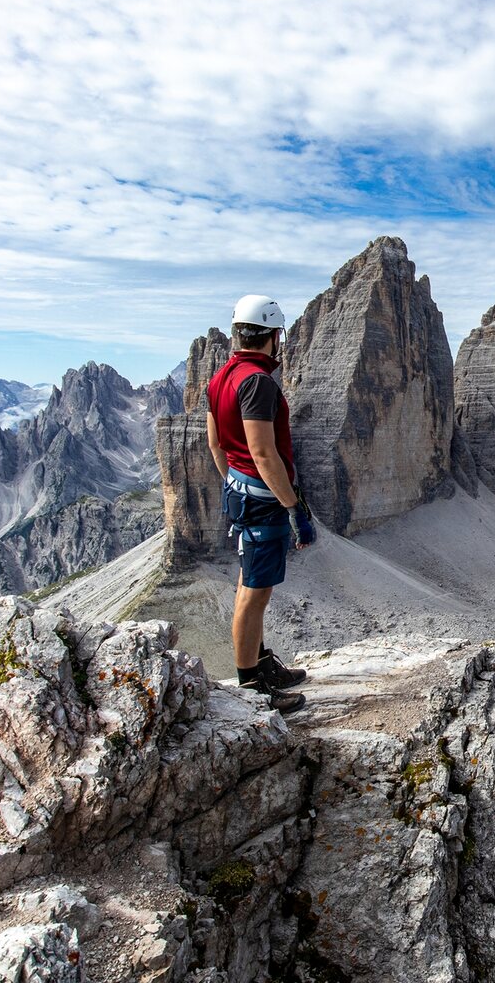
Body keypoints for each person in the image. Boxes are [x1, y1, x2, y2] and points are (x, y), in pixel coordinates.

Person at [205, 294, 317, 713]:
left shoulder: (220, 379)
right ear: (272, 337)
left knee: (249, 582)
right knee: (255, 590)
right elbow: (264, 453)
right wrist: (293, 508)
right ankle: (251, 683)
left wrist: (234, 485)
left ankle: (260, 661)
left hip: (241, 490)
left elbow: (216, 443)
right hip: (264, 498)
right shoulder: (257, 382)